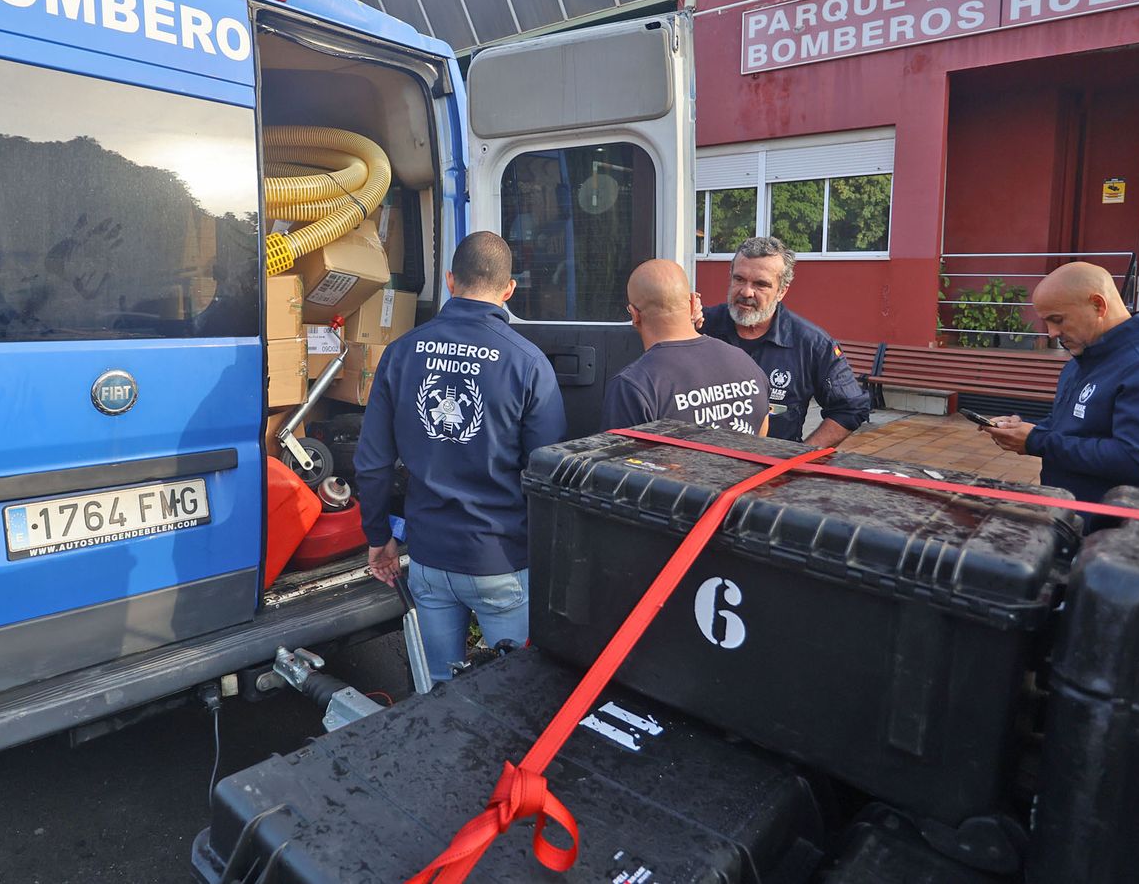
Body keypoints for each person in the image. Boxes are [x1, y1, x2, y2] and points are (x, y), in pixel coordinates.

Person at [354, 232, 566, 683]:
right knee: (516, 692)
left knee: (438, 691)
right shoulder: (528, 363)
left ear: (450, 280)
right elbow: (546, 474)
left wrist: (378, 535)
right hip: (499, 558)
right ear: (509, 290)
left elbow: (372, 462)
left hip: (428, 559)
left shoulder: (400, 353)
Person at [982, 262, 1139, 504]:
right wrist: (1026, 429)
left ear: (1098, 305)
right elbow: (1074, 427)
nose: (1051, 333)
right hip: (1075, 513)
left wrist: (1036, 440)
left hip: (1124, 522)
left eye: (1057, 319)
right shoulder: (1085, 357)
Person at [698, 235, 870, 444]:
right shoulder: (699, 327)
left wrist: (800, 455)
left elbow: (850, 408)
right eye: (739, 279)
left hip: (770, 463)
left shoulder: (811, 344)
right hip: (702, 459)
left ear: (782, 291)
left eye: (760, 284)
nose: (746, 292)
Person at [602, 259, 770, 435]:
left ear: (634, 315)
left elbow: (614, 452)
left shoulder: (633, 386)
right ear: (692, 303)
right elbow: (761, 440)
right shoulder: (746, 364)